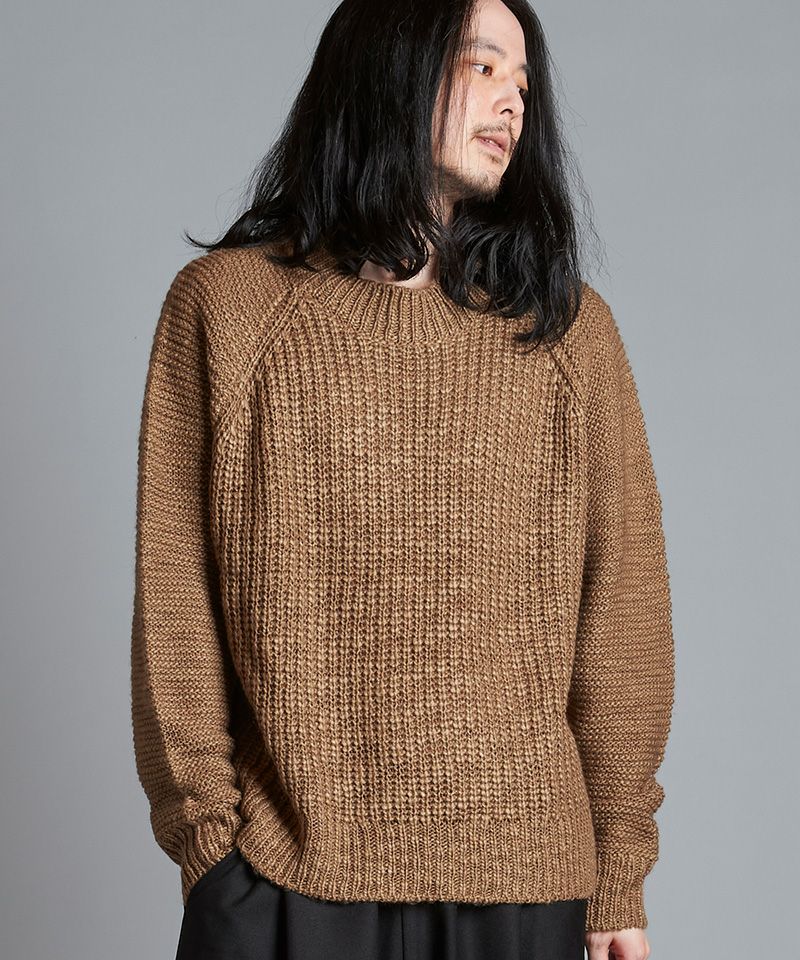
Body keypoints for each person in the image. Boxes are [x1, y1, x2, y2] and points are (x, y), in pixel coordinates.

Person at [130, 0, 675, 958]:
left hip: (525, 889)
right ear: (392, 66)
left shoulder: (569, 334)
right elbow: (176, 599)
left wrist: (618, 873)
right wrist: (211, 847)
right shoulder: (228, 310)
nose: (514, 103)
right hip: (286, 880)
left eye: (524, 82)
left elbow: (623, 610)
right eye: (483, 66)